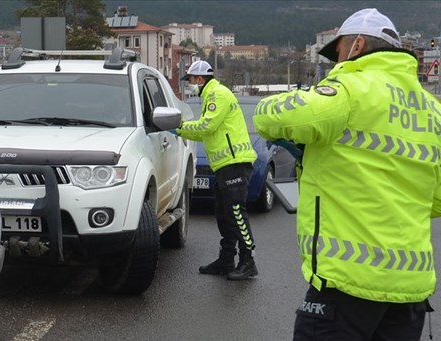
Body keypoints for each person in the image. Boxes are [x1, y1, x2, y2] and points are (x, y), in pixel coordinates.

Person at [253, 8, 441, 340]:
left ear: (356, 46)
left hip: (346, 286)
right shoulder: (432, 110)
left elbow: (270, 118)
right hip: (410, 292)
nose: (335, 62)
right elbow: (437, 201)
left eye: (337, 51)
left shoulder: (351, 88)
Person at [175, 60, 258, 280]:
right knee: (223, 214)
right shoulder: (209, 96)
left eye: (191, 80)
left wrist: (178, 126)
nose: (190, 84)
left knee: (236, 213)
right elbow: (204, 133)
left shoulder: (217, 95)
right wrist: (179, 132)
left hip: (235, 162)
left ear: (200, 79)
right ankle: (227, 259)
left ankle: (248, 261)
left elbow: (206, 126)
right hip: (224, 164)